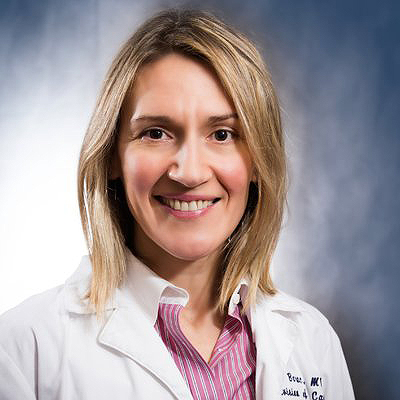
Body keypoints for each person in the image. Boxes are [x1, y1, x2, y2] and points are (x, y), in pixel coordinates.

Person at [0, 8, 355, 400]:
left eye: (222, 134)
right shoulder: (23, 350)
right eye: (156, 133)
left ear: (258, 161)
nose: (189, 172)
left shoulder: (313, 341)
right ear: (113, 157)